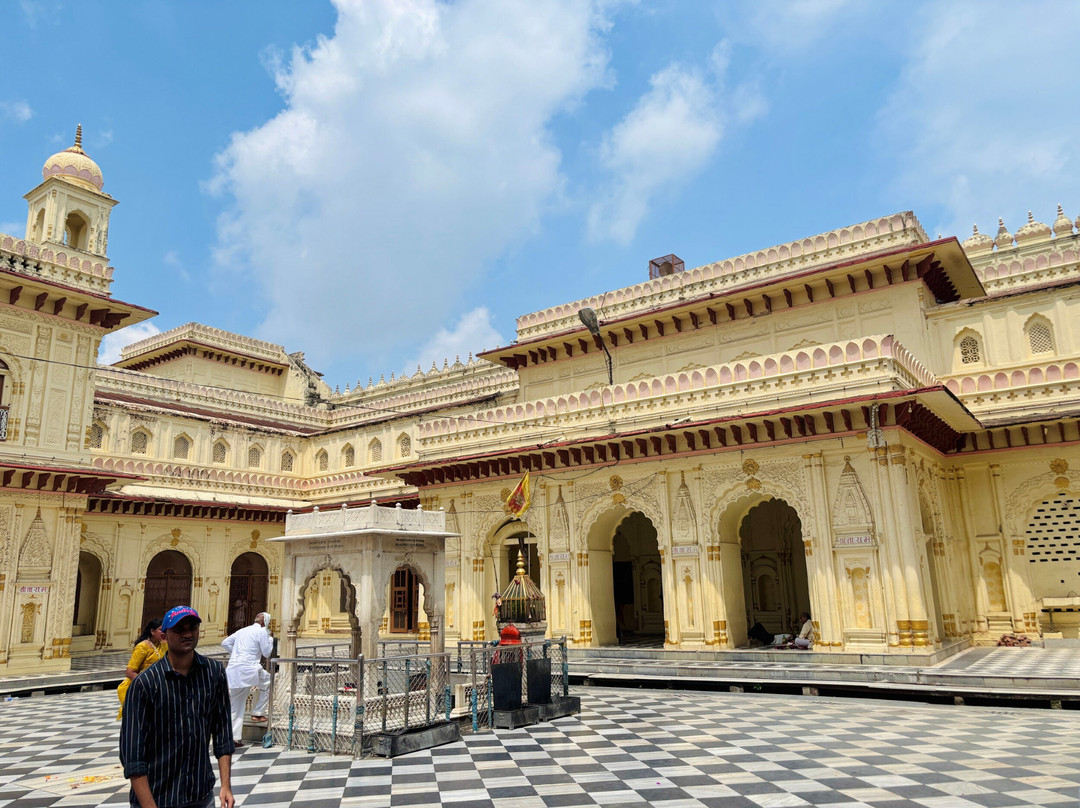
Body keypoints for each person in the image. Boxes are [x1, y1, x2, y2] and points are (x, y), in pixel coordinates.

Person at [120, 605, 234, 808]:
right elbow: (132, 754)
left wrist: (226, 785)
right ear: (164, 636)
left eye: (192, 628)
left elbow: (222, 733)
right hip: (158, 798)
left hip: (200, 794)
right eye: (180, 629)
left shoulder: (213, 673)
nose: (187, 634)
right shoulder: (145, 683)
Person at [221, 611, 273, 747]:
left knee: (236, 704)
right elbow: (267, 652)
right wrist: (270, 639)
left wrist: (237, 655)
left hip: (233, 669)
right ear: (265, 623)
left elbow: (225, 643)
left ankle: (234, 738)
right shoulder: (262, 632)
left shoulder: (242, 631)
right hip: (249, 668)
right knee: (268, 682)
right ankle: (258, 713)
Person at [116, 619, 167, 719]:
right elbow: (130, 672)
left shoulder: (163, 645)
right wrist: (146, 685)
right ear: (152, 631)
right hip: (142, 687)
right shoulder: (143, 646)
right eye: (160, 630)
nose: (163, 633)